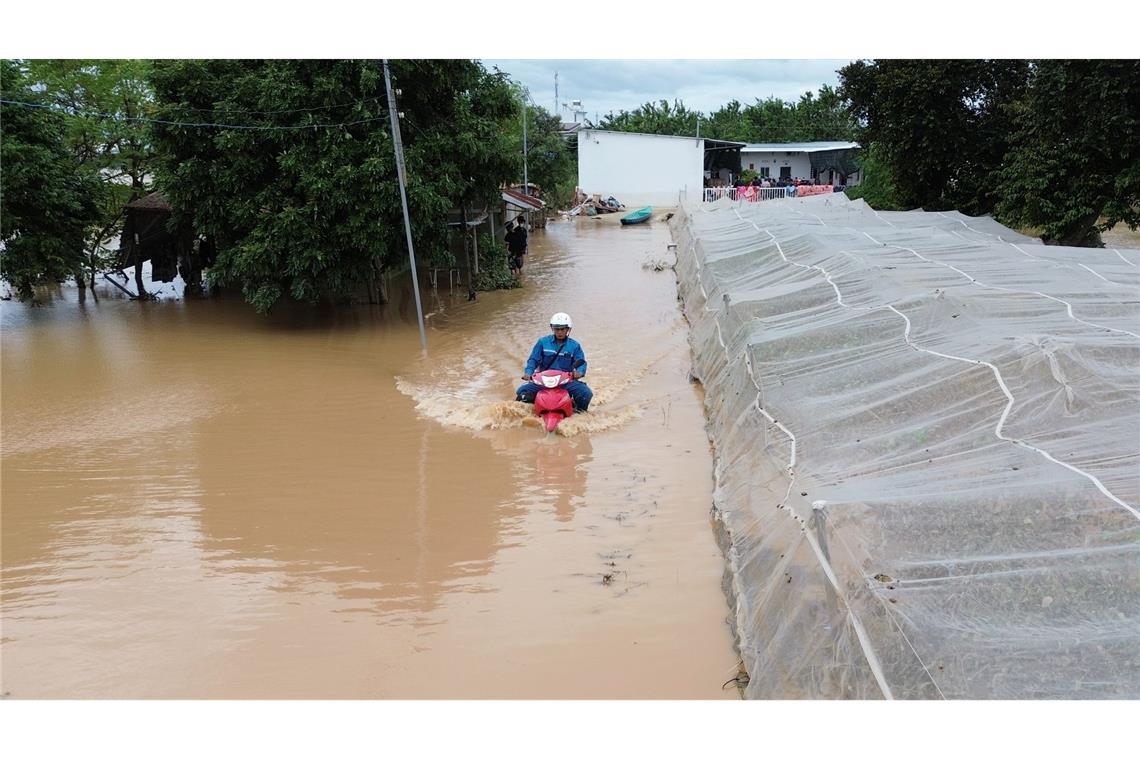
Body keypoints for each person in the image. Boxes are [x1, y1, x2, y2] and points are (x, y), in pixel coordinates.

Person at [516, 312, 593, 412]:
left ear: (568, 329)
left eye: (563, 329)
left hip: (565, 381)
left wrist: (579, 372)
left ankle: (580, 413)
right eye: (557, 329)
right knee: (521, 391)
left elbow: (581, 362)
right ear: (552, 328)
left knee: (586, 393)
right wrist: (528, 373)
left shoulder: (574, 346)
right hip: (543, 381)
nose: (560, 332)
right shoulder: (542, 342)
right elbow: (533, 360)